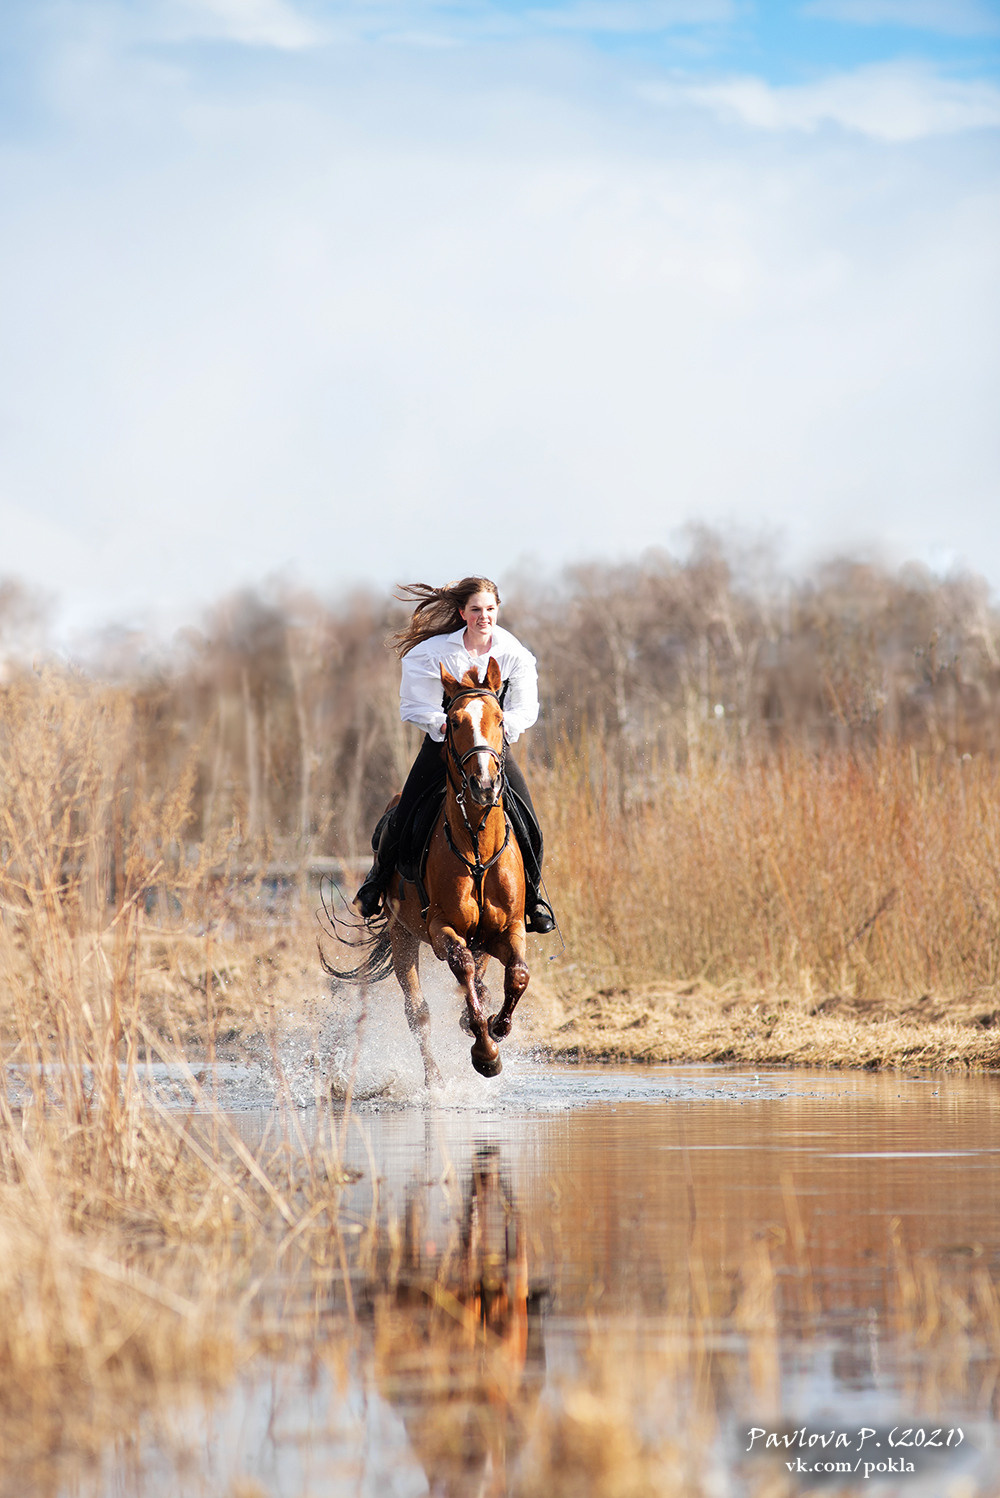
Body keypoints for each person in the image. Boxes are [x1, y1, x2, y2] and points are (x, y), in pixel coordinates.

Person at [354, 576, 556, 933]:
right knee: (404, 812)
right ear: (463, 612)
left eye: (490, 609)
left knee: (529, 821)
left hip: (492, 748)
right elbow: (414, 705)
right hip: (444, 745)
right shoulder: (432, 652)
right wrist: (444, 723)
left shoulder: (513, 654)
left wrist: (496, 728)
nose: (484, 617)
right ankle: (377, 880)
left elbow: (526, 708)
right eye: (476, 610)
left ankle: (535, 898)